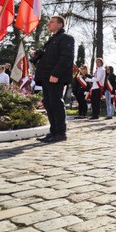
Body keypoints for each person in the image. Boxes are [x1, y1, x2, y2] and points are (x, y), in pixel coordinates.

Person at [33, 15, 75, 143]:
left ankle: (61, 133)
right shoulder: (51, 40)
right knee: (48, 103)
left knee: (56, 103)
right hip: (46, 77)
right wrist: (38, 55)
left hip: (55, 77)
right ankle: (53, 132)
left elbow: (66, 58)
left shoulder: (66, 38)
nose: (48, 24)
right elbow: (49, 58)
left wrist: (56, 74)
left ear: (60, 25)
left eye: (51, 22)